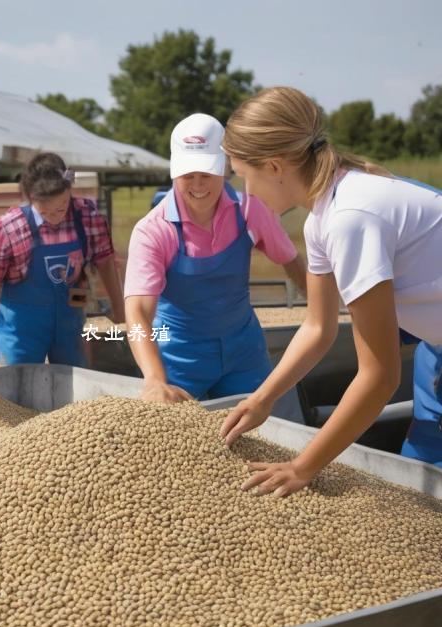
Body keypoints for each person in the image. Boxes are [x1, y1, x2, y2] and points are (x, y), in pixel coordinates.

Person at [219, 86, 442, 494]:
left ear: (272, 166)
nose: (246, 194)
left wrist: (303, 467)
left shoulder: (350, 218)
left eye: (243, 177)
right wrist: (263, 398)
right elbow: (318, 328)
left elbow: (380, 375)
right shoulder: (322, 218)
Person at [124, 113, 307, 403]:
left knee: (267, 435)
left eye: (206, 174)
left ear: (223, 168)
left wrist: (321, 307)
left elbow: (290, 259)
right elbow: (137, 315)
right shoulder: (152, 231)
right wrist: (154, 379)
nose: (198, 185)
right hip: (177, 357)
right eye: (187, 176)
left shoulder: (251, 210)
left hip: (244, 352)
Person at [0, 152, 125, 368]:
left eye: (61, 207)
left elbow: (105, 263)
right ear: (29, 197)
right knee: (17, 390)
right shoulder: (8, 229)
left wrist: (119, 312)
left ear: (69, 190)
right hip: (21, 329)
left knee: (78, 388)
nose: (54, 216)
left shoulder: (88, 217)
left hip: (71, 321)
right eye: (44, 210)